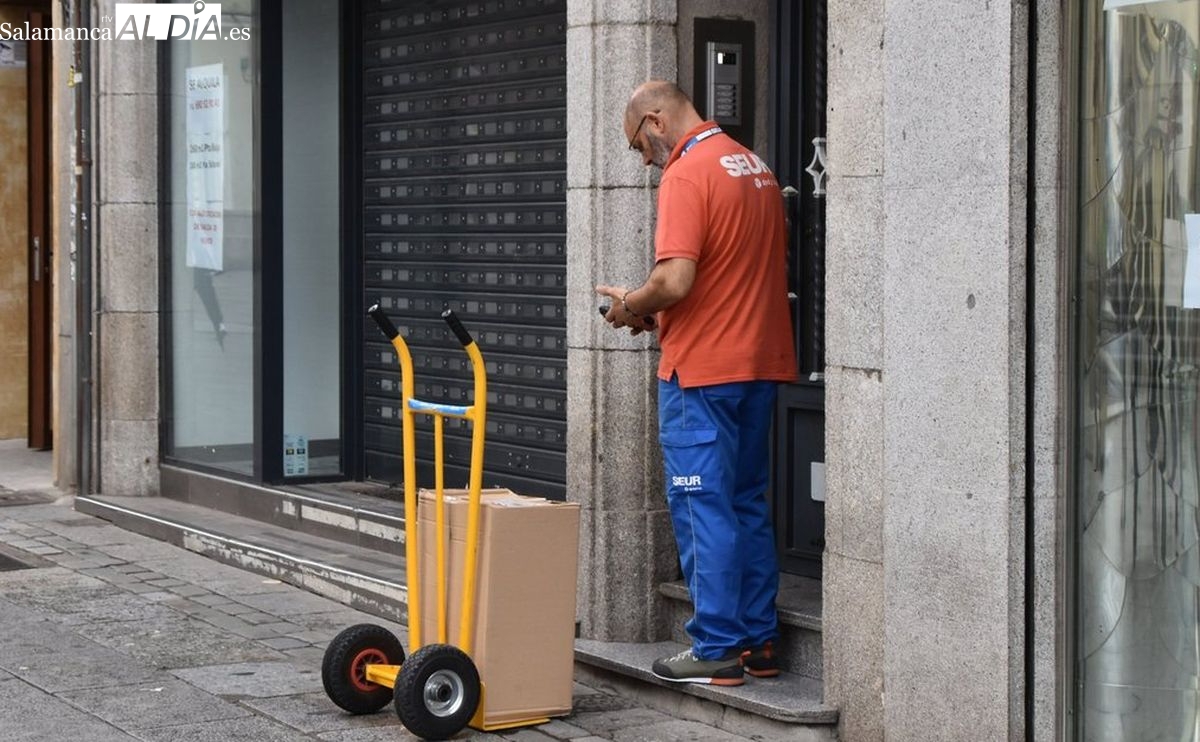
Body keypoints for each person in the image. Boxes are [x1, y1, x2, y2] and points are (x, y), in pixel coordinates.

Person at [595, 81, 799, 686]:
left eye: (639, 144)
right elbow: (729, 274)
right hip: (758, 364)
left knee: (699, 503)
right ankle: (759, 643)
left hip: (702, 372)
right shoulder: (754, 166)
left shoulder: (686, 174)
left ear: (656, 120)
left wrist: (633, 303)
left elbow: (678, 279)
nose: (644, 158)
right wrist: (655, 312)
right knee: (744, 503)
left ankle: (715, 644)